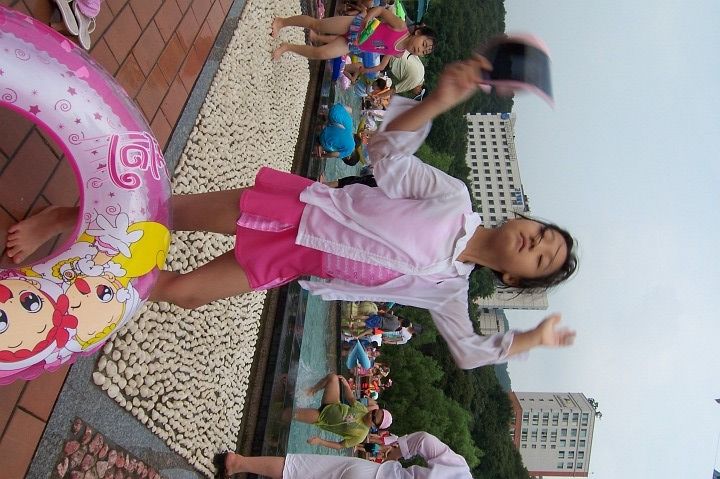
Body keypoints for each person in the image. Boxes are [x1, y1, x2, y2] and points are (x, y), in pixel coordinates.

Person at [4, 57, 577, 370]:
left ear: (511, 279)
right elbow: (386, 153)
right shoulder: (454, 199)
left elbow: (471, 352)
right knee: (167, 214)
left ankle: (86, 272)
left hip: (299, 259)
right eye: (543, 233)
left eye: (542, 258)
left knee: (184, 293)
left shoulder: (448, 290)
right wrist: (437, 101)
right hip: (302, 210)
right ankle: (63, 218)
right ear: (523, 221)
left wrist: (534, 338)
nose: (537, 242)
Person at [213, 431, 473, 478]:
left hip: (373, 474)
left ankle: (238, 463)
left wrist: (395, 455)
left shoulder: (461, 471)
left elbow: (425, 440)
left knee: (297, 469)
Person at [271, 8, 436, 61]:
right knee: (317, 25)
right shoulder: (401, 27)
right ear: (418, 32)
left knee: (320, 54)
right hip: (356, 25)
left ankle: (287, 47)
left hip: (353, 44)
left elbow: (378, 48)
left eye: (424, 52)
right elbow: (381, 10)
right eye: (423, 44)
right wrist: (368, 17)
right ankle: (282, 22)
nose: (420, 50)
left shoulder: (399, 54)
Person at [295, 373, 392, 450]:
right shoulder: (363, 410)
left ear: (375, 426)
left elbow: (340, 445)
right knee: (333, 377)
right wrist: (346, 385)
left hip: (321, 417)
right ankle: (312, 390)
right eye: (374, 411)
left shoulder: (360, 435)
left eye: (373, 418)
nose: (371, 414)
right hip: (332, 403)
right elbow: (351, 398)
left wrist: (320, 441)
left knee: (292, 414)